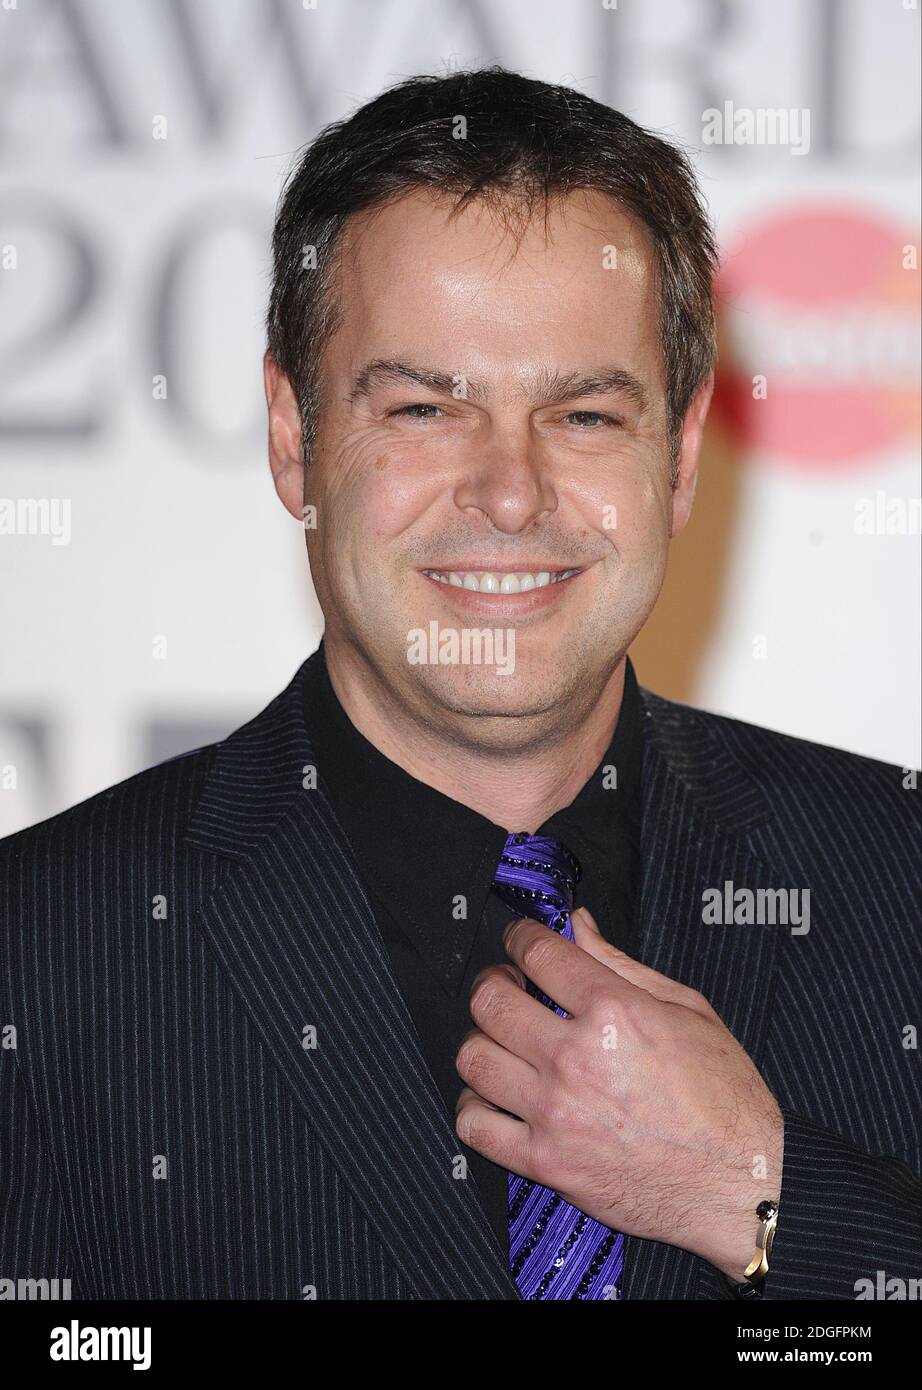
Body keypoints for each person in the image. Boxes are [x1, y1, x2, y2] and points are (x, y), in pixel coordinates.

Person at [1, 67, 918, 1302]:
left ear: (680, 456)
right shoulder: (39, 954)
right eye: (427, 406)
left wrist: (766, 1195)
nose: (508, 493)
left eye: (586, 415)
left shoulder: (899, 878)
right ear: (294, 437)